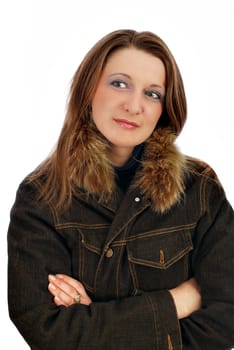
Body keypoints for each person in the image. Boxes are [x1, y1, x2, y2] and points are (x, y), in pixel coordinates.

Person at [7, 29, 234, 350]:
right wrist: (177, 301)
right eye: (119, 83)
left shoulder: (199, 187)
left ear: (164, 108)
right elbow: (46, 331)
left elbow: (227, 318)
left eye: (153, 93)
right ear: (89, 90)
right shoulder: (41, 197)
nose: (134, 105)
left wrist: (95, 321)